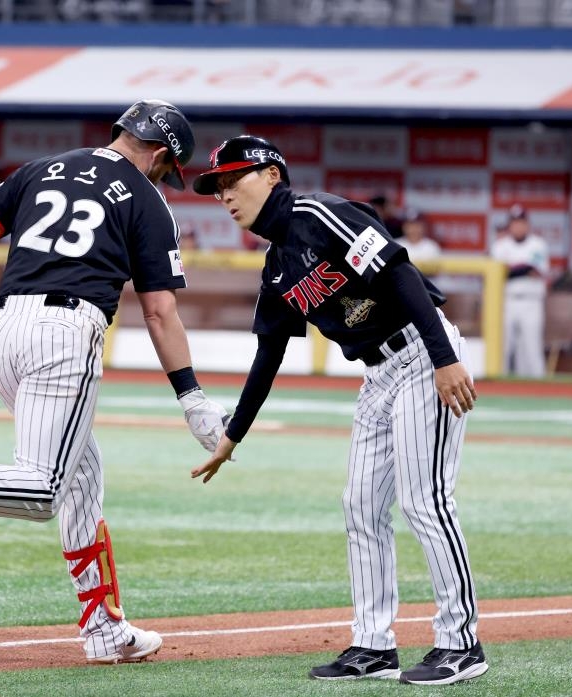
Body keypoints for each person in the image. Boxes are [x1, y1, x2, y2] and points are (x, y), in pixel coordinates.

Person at [0, 99, 230, 665]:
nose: (164, 175)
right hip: (65, 331)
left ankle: (105, 630)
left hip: (1, 330)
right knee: (43, 491)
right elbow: (159, 312)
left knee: (82, 477)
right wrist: (192, 398)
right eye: (168, 166)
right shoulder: (147, 200)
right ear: (160, 153)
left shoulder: (40, 168)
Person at [188, 135, 487, 686]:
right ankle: (374, 645)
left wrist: (445, 359)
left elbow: (398, 271)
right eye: (218, 187)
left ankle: (461, 643)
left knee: (425, 500)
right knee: (360, 506)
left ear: (272, 175)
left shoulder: (319, 214)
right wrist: (232, 436)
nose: (224, 195)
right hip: (378, 372)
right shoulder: (277, 265)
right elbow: (269, 356)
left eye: (233, 180)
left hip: (422, 353)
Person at [491, 204, 549, 378]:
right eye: (514, 222)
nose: (518, 226)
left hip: (531, 302)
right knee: (503, 348)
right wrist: (522, 268)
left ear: (527, 224)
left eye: (521, 222)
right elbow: (501, 274)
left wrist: (512, 270)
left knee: (532, 349)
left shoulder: (538, 244)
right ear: (509, 225)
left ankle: (540, 388)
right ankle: (499, 387)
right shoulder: (500, 246)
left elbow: (537, 271)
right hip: (507, 301)